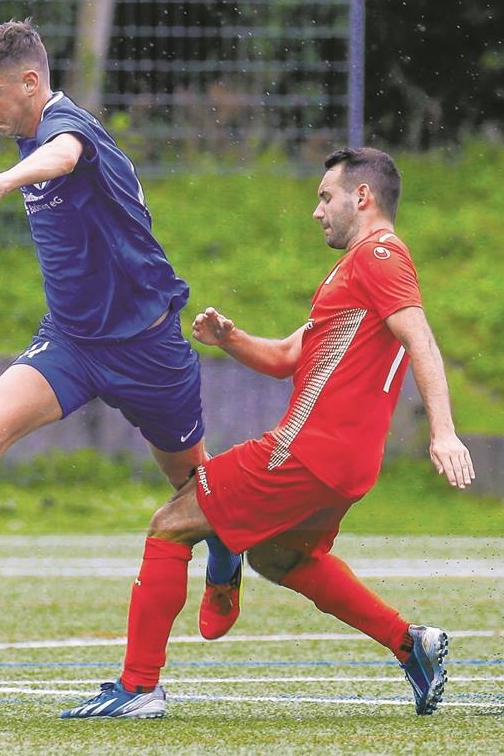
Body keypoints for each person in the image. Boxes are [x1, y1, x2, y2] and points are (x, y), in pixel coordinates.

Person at [0, 19, 242, 638]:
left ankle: (225, 559)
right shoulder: (34, 136)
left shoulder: (66, 127)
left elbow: (66, 156)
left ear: (31, 82)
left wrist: (0, 182)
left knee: (192, 484)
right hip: (73, 343)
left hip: (147, 346)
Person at [60, 147, 475, 720]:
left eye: (325, 196)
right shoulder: (354, 272)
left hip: (307, 451)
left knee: (171, 524)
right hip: (347, 465)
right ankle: (411, 643)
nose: (316, 210)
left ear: (363, 197)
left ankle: (139, 688)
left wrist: (444, 433)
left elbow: (420, 340)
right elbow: (285, 356)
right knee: (280, 560)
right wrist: (229, 338)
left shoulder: (380, 256)